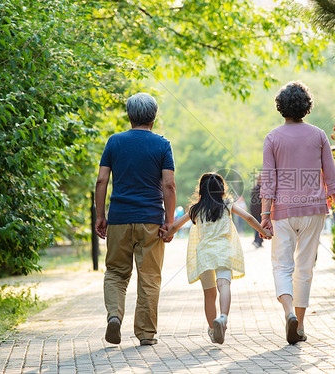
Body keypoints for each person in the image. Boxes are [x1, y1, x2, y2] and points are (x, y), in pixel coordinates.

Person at [260, 81, 335, 345]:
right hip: (314, 210)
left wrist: (265, 214)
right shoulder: (319, 135)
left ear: (280, 107)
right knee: (305, 267)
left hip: (282, 212)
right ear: (306, 106)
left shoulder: (272, 137)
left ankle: (288, 314)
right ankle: (299, 325)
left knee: (282, 265)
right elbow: (331, 177)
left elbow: (268, 180)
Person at [95, 92, 176, 346]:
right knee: (149, 277)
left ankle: (114, 317)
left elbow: (101, 181)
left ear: (130, 116)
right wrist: (169, 221)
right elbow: (169, 185)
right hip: (151, 220)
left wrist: (100, 215)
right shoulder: (162, 145)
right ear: (153, 117)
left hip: (119, 218)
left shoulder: (114, 142)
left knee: (116, 273)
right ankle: (146, 334)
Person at [160, 173, 272, 344]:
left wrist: (165, 234)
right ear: (221, 189)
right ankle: (223, 318)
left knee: (209, 294)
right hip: (223, 251)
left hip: (204, 254)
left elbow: (175, 225)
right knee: (224, 285)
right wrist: (263, 231)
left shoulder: (195, 209)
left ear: (201, 190)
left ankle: (213, 330)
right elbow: (249, 217)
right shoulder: (227, 205)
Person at [250, 174, 264, 248]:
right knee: (258, 227)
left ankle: (260, 241)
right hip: (258, 211)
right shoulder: (258, 189)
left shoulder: (258, 188)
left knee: (260, 226)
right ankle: (257, 241)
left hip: (259, 211)